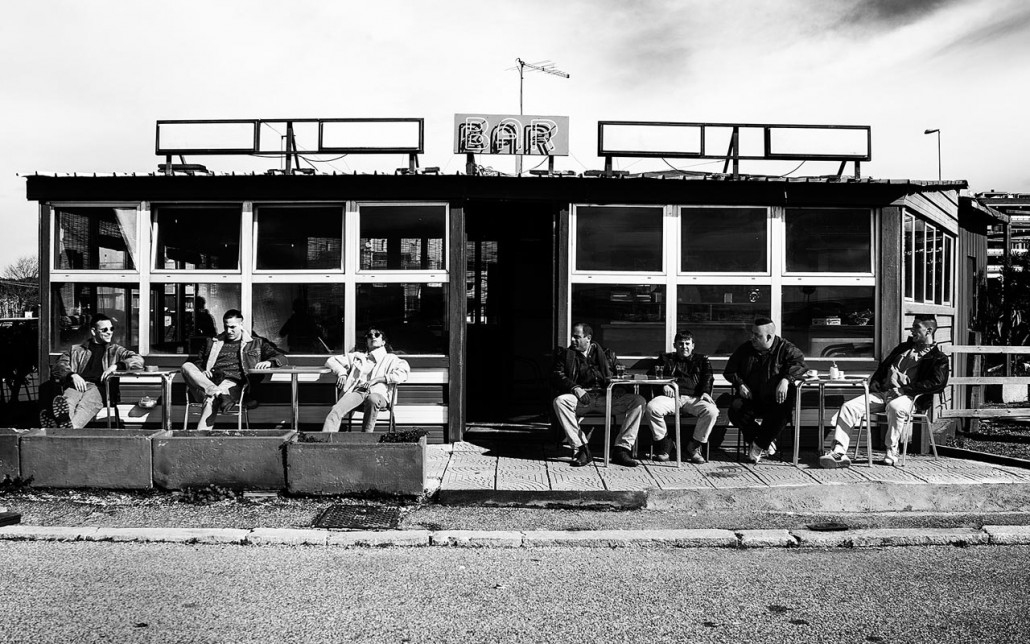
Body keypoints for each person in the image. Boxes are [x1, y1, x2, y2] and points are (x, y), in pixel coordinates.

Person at [820, 317, 949, 468]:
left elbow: (937, 383)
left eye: (916, 327)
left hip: (909, 397)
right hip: (883, 393)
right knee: (849, 407)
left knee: (895, 407)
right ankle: (839, 452)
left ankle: (892, 451)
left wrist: (904, 389)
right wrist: (875, 384)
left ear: (929, 330)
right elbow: (883, 368)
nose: (912, 330)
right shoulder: (902, 348)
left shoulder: (938, 358)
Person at [552, 322, 646, 468]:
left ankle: (622, 449)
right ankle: (582, 449)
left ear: (588, 338)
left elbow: (621, 373)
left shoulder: (607, 354)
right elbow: (557, 375)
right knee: (560, 401)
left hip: (606, 398)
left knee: (638, 401)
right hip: (582, 399)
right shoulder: (566, 354)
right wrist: (574, 388)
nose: (572, 340)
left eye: (577, 337)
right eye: (572, 337)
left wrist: (621, 387)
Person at [181, 309, 287, 430]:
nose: (228, 331)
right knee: (186, 366)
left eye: (232, 327)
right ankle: (217, 392)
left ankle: (201, 437)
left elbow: (282, 358)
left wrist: (269, 362)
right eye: (226, 327)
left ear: (241, 324)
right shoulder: (212, 342)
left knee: (211, 399)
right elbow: (198, 363)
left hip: (231, 384)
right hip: (206, 384)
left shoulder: (256, 343)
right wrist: (202, 371)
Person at [724, 316, 808, 464]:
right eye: (752, 334)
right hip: (752, 398)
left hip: (775, 399)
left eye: (757, 335)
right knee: (735, 410)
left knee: (783, 411)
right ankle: (765, 442)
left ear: (769, 337)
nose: (752, 338)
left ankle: (758, 445)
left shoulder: (786, 348)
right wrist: (740, 384)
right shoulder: (745, 349)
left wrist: (786, 379)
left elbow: (799, 364)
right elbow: (730, 371)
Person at [45, 313, 144, 428]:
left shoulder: (116, 350)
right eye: (105, 329)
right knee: (68, 403)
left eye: (111, 328)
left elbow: (138, 359)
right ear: (93, 331)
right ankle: (65, 427)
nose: (109, 332)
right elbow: (59, 366)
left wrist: (117, 366)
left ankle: (61, 428)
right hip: (77, 385)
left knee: (86, 405)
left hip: (100, 387)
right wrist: (72, 375)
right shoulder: (76, 350)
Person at [645, 330, 719, 464]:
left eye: (687, 344)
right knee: (651, 408)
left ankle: (694, 447)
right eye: (680, 344)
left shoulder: (702, 360)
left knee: (712, 411)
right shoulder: (665, 359)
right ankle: (665, 444)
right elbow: (651, 376)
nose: (684, 347)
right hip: (671, 398)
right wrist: (663, 385)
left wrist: (705, 392)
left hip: (694, 398)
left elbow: (708, 377)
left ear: (693, 345)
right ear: (675, 345)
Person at [322, 327, 410, 432]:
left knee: (372, 399)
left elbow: (402, 374)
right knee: (336, 409)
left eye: (377, 335)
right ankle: (326, 439)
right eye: (369, 335)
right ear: (367, 341)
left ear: (383, 342)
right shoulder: (358, 357)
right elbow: (331, 361)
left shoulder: (391, 358)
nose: (373, 337)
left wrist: (378, 380)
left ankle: (366, 436)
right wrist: (342, 373)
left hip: (379, 394)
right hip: (360, 391)